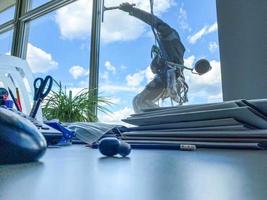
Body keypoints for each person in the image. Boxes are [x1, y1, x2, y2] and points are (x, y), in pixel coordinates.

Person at [119, 3, 188, 113]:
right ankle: (153, 122)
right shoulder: (164, 49)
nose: (158, 34)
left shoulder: (171, 39)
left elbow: (153, 20)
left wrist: (132, 10)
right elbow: (154, 68)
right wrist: (157, 58)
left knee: (141, 102)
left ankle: (165, 118)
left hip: (169, 79)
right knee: (136, 101)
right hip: (163, 78)